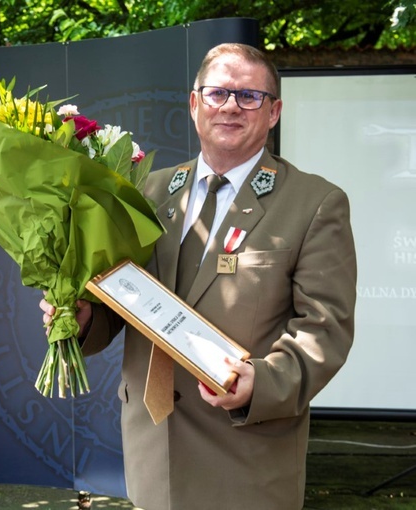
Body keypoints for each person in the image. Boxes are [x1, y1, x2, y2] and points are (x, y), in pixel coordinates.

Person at [41, 43, 356, 509]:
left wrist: (262, 383)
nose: (230, 105)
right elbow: (125, 306)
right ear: (194, 105)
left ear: (274, 113)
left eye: (249, 96)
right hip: (152, 449)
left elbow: (324, 330)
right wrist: (83, 314)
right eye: (217, 93)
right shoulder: (146, 191)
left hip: (246, 455)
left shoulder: (314, 203)